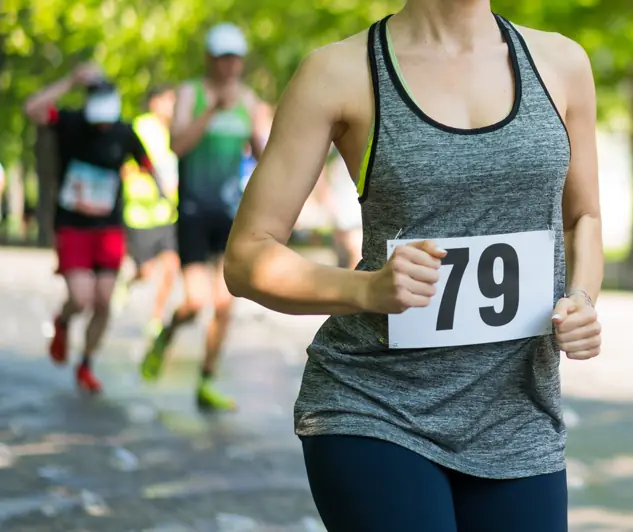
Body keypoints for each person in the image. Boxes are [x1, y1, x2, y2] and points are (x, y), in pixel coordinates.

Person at [221, 1, 603, 529]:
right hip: (376, 407)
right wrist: (368, 291)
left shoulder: (561, 62)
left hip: (519, 413)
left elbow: (582, 215)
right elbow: (247, 256)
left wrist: (581, 298)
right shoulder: (340, 71)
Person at [139, 22, 271, 411]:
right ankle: (165, 335)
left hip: (231, 214)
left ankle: (207, 380)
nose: (231, 67)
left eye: (236, 59)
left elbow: (266, 158)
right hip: (194, 209)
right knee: (196, 302)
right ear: (210, 59)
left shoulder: (249, 100)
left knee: (226, 303)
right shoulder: (190, 94)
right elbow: (176, 146)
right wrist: (212, 110)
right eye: (224, 58)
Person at [24, 64, 162, 394]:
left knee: (103, 301)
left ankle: (86, 363)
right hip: (73, 227)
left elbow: (147, 164)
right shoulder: (70, 123)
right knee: (81, 297)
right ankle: (63, 320)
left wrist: (162, 191)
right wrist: (70, 79)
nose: (102, 125)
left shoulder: (124, 132)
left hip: (108, 229)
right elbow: (32, 109)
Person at [112, 85, 181, 335]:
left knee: (171, 266)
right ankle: (129, 280)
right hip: (140, 213)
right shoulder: (140, 127)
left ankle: (156, 318)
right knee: (146, 271)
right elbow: (123, 165)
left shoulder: (178, 131)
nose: (172, 107)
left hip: (168, 213)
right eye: (168, 101)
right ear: (154, 102)